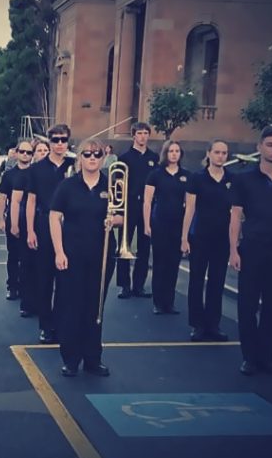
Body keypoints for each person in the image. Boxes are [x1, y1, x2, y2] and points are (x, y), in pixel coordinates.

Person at [50, 139, 121, 377]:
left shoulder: (111, 185)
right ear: (80, 157)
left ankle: (93, 359)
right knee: (72, 307)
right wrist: (59, 251)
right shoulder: (67, 186)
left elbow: (123, 215)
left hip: (101, 256)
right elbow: (54, 217)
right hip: (72, 255)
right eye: (87, 154)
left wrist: (114, 220)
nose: (92, 158)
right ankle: (70, 359)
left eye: (97, 154)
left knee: (95, 308)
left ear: (103, 158)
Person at [229, 126, 272, 377]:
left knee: (271, 306)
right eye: (270, 145)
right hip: (252, 249)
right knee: (247, 305)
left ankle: (267, 358)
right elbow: (235, 216)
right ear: (259, 147)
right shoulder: (243, 178)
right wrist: (233, 250)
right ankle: (250, 358)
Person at [25, 124, 72, 344]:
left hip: (70, 226)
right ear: (49, 142)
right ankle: (45, 325)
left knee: (66, 280)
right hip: (43, 223)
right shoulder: (36, 168)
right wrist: (30, 230)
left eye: (64, 140)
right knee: (44, 279)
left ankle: (62, 324)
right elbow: (31, 201)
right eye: (55, 140)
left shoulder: (74, 166)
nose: (60, 144)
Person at [181, 140, 231, 342]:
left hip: (222, 238)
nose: (220, 156)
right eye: (217, 152)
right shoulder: (197, 178)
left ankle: (213, 324)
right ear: (209, 154)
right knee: (196, 280)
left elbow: (236, 211)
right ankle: (197, 324)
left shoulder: (232, 179)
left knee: (217, 282)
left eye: (224, 153)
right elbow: (190, 209)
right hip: (200, 237)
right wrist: (184, 237)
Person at [144, 140, 190, 315]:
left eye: (177, 151)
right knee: (160, 263)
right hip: (159, 222)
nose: (174, 154)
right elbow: (147, 201)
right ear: (166, 153)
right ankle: (158, 302)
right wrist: (147, 223)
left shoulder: (186, 175)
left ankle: (169, 302)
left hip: (177, 224)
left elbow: (189, 203)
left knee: (173, 264)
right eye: (171, 151)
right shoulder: (156, 174)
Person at [116, 122, 158, 299]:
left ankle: (139, 285)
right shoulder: (124, 157)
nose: (142, 136)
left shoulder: (154, 158)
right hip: (129, 205)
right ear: (133, 135)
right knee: (124, 245)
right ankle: (124, 285)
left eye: (145, 133)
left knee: (144, 246)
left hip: (147, 207)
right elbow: (118, 184)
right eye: (139, 133)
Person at [0, 139, 32, 304]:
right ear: (17, 153)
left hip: (32, 221)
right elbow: (3, 198)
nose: (25, 155)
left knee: (29, 257)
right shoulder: (9, 175)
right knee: (14, 255)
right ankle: (12, 286)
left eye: (29, 152)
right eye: (22, 151)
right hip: (14, 219)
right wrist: (0, 220)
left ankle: (26, 288)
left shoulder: (35, 173)